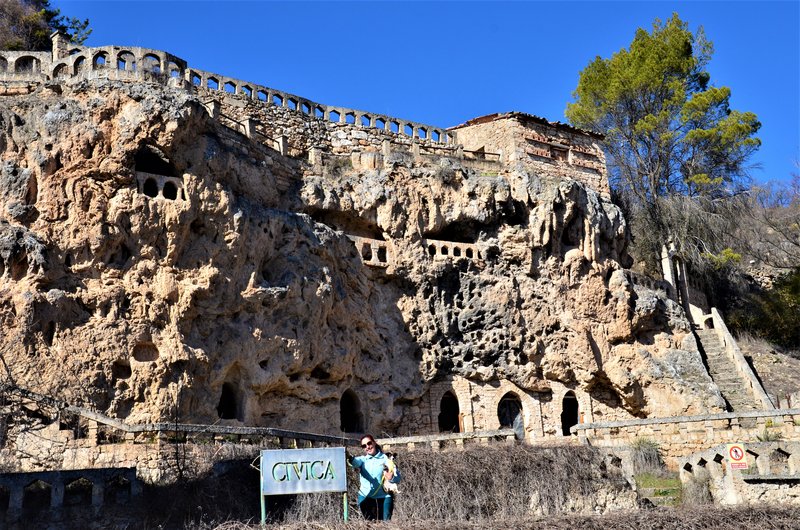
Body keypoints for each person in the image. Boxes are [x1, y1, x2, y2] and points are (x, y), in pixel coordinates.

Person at [348, 434, 400, 521]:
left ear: (374, 443)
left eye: (369, 443)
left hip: (384, 497)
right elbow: (354, 462)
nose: (367, 447)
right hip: (366, 497)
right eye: (364, 446)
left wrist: (391, 478)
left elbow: (398, 478)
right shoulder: (363, 460)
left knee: (385, 525)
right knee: (370, 525)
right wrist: (349, 457)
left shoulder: (386, 458)